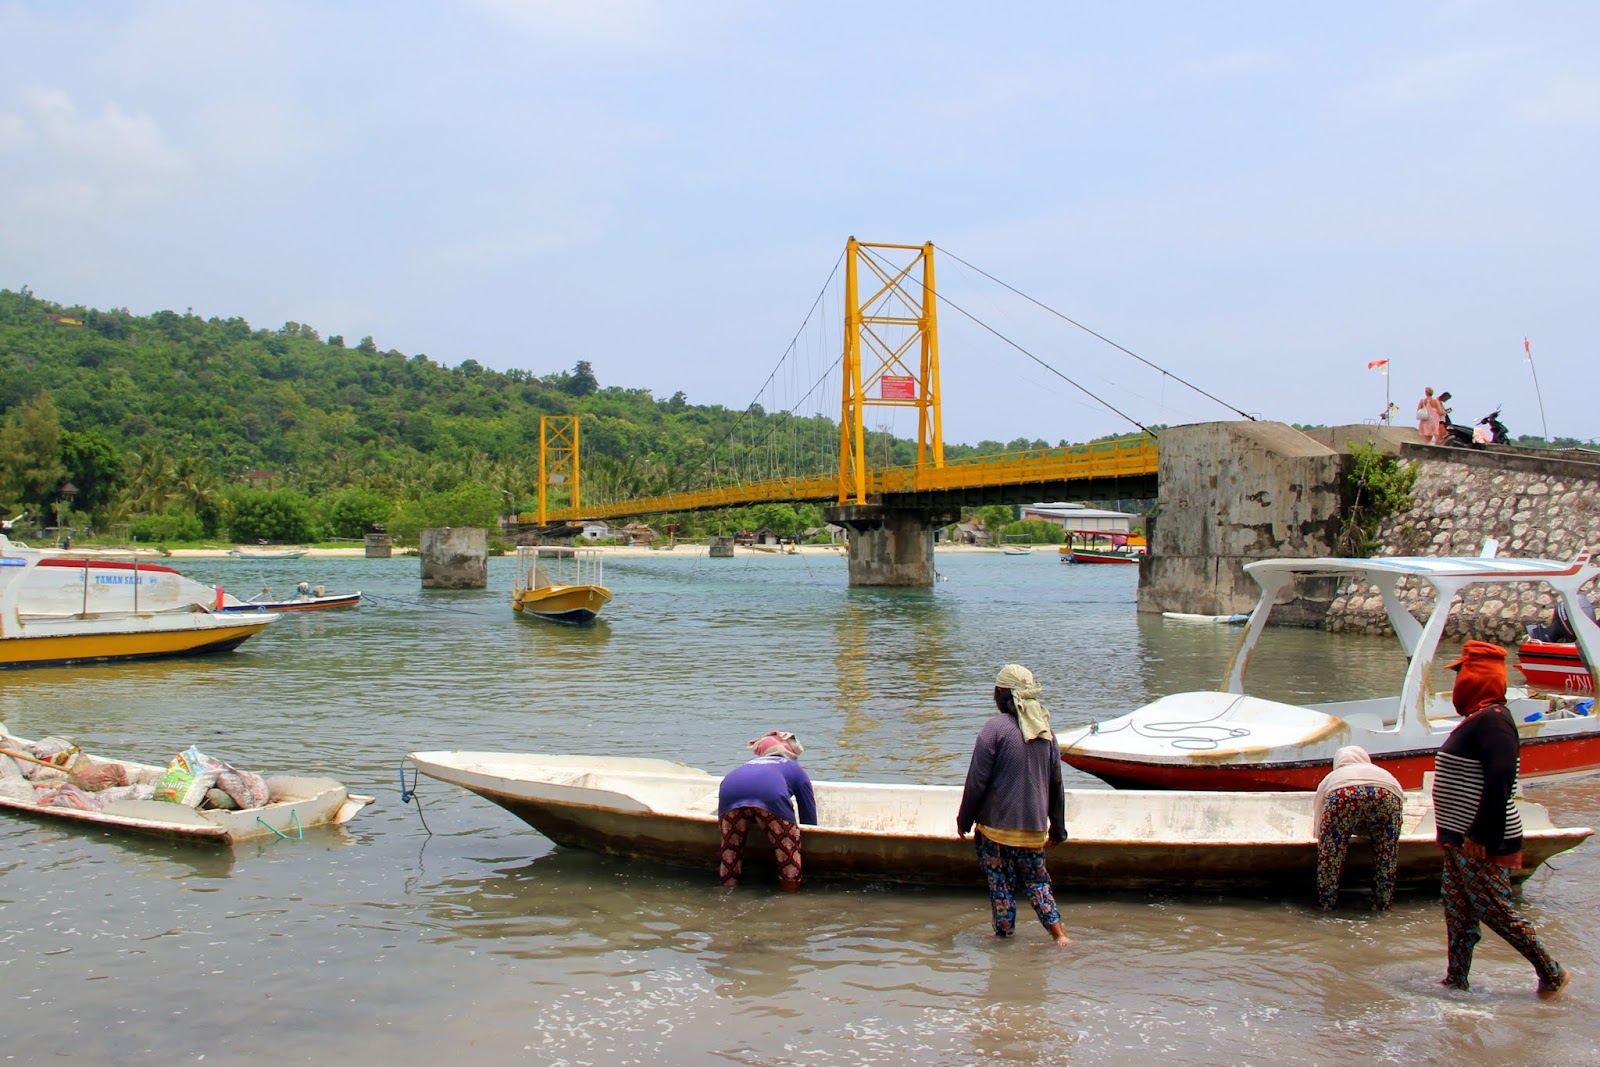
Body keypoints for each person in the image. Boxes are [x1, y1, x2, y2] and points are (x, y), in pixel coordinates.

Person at [1433, 640, 1569, 996]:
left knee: (1493, 909)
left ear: (1478, 678)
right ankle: (1456, 980)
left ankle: (1552, 972)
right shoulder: (1481, 719)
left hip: (1481, 837)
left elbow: (1501, 777)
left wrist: (1480, 834)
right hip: (1461, 837)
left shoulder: (1493, 721)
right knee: (1458, 909)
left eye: (1462, 673)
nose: (1457, 681)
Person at [957, 664, 1071, 946]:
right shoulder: (1045, 731)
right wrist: (1058, 827)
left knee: (1001, 885)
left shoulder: (994, 730)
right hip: (1033, 832)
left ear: (999, 694)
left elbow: (977, 783)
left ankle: (1005, 940)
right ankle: (1060, 936)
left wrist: (964, 820)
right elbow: (1056, 784)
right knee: (1038, 884)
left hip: (996, 832)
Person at [717, 730, 816, 892]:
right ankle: (791, 898)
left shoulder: (746, 765)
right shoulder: (795, 769)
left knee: (730, 852)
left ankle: (728, 894)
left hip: (729, 791)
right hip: (770, 796)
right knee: (788, 852)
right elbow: (808, 812)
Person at [1313, 746, 1404, 911]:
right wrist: (1386, 834)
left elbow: (1319, 814)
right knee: (1386, 855)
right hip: (1386, 795)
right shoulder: (1382, 772)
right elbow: (1399, 801)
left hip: (1343, 794)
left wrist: (1325, 837)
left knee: (1331, 855)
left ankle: (1327, 903)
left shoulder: (1333, 776)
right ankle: (1383, 904)